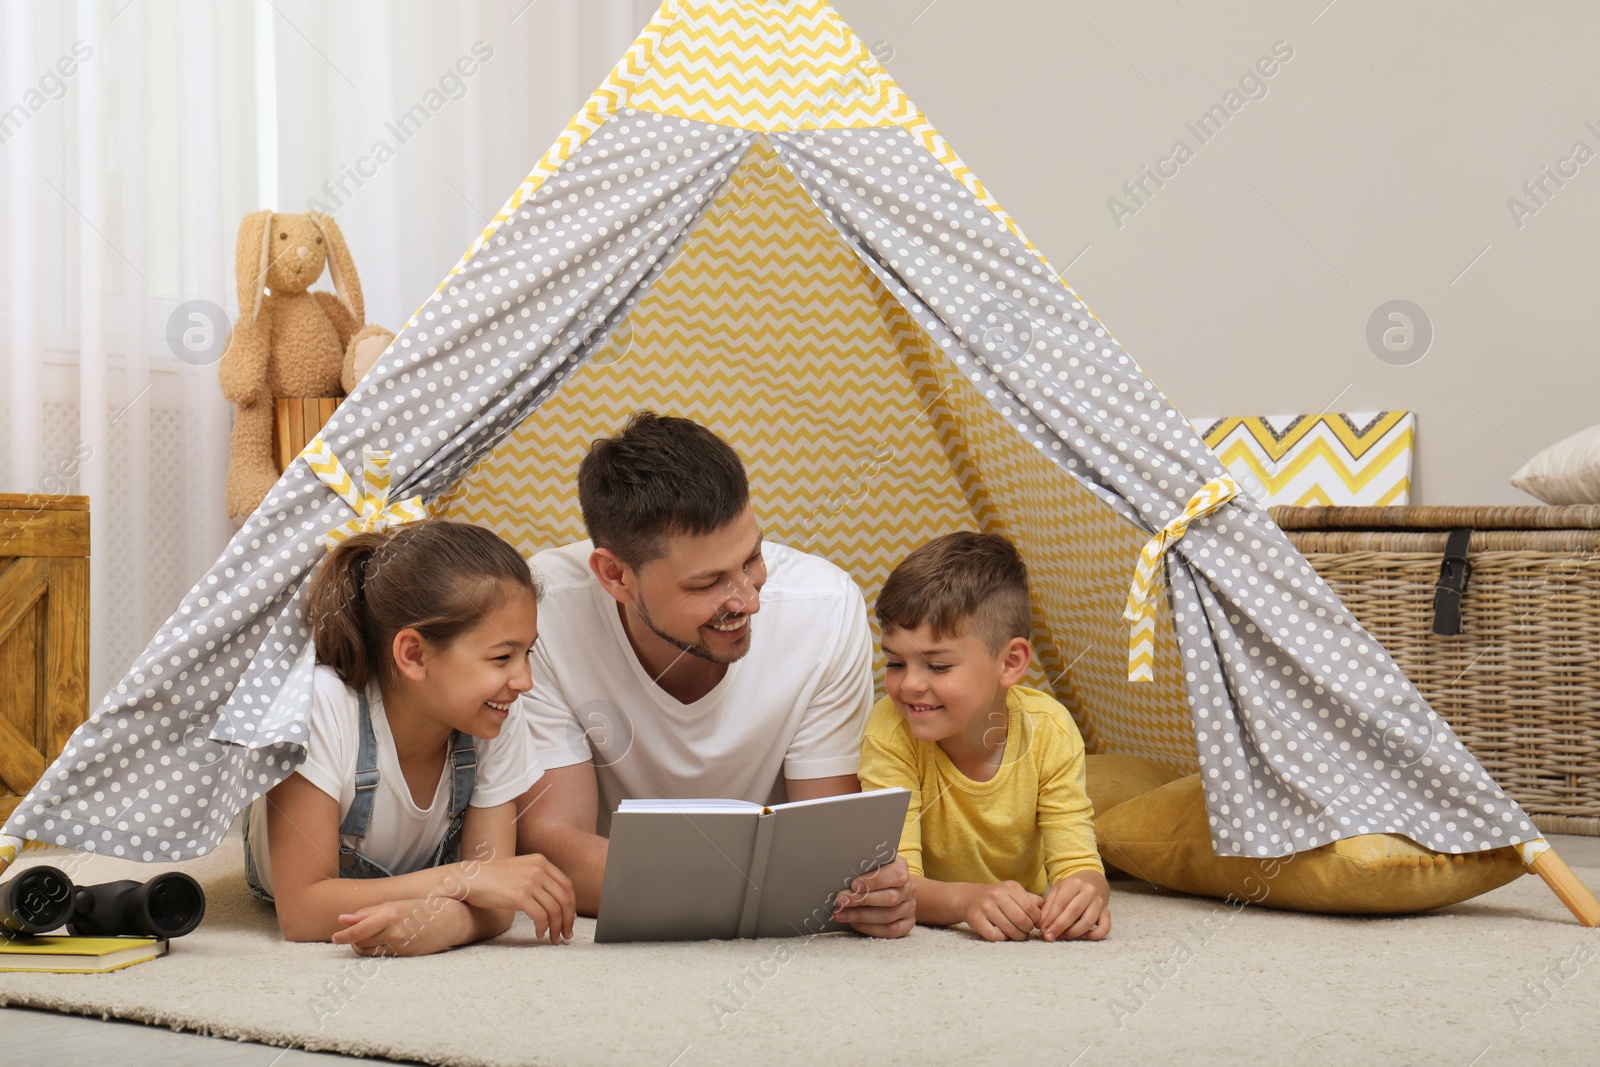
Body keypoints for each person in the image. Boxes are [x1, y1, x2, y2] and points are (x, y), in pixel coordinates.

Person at [513, 412, 915, 937]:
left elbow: (828, 844)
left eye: (752, 558)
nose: (748, 600)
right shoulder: (539, 612)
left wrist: (868, 891)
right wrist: (759, 888)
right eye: (706, 584)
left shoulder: (825, 609)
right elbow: (552, 845)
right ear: (615, 576)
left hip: (715, 913)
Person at [243, 520, 577, 956]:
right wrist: (461, 880)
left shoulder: (495, 716)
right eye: (502, 656)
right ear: (414, 654)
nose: (525, 680)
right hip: (293, 879)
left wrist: (446, 922)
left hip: (412, 881)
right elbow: (303, 909)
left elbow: (499, 897)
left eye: (527, 653)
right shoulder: (318, 706)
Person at [858, 531, 1110, 942]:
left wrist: (1086, 893)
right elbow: (895, 881)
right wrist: (966, 901)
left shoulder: (1048, 729)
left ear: (1010, 663)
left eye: (937, 667)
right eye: (895, 662)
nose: (909, 687)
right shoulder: (889, 732)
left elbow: (1078, 862)